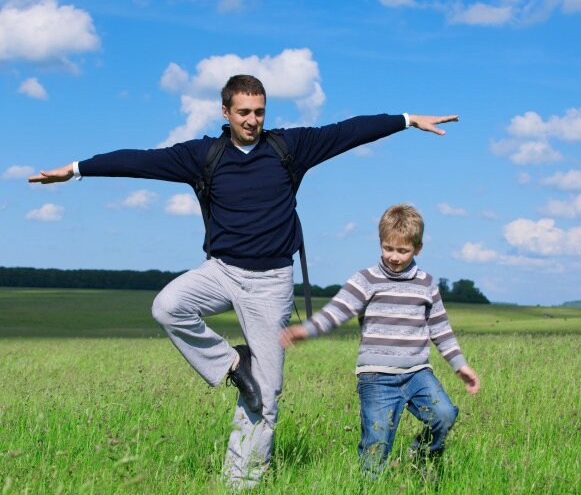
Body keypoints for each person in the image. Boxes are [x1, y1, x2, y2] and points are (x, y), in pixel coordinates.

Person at [28, 74, 459, 489]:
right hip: (221, 271)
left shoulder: (289, 147)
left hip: (272, 284)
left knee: (264, 396)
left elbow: (347, 132)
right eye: (244, 112)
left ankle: (241, 483)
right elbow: (141, 161)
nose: (252, 120)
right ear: (225, 111)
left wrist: (405, 120)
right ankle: (233, 364)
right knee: (167, 306)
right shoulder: (204, 155)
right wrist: (76, 169)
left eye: (259, 111)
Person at [279, 204, 480, 479]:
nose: (394, 257)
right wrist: (306, 330)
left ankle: (420, 456)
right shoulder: (366, 280)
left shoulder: (427, 285)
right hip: (376, 378)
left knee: (444, 414)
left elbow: (440, 329)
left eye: (403, 250)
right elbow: (337, 311)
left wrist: (460, 365)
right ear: (380, 243)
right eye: (388, 248)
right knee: (376, 445)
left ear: (418, 248)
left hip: (418, 374)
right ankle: (370, 486)